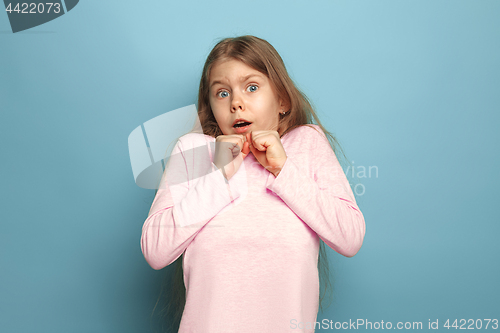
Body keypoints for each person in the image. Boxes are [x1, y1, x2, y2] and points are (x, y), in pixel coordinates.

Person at [141, 35, 366, 333]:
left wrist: (283, 169)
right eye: (222, 93)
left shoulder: (306, 144)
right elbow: (155, 250)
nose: (236, 103)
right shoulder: (194, 150)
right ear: (211, 106)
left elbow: (349, 237)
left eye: (252, 87)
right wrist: (220, 177)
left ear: (282, 101)